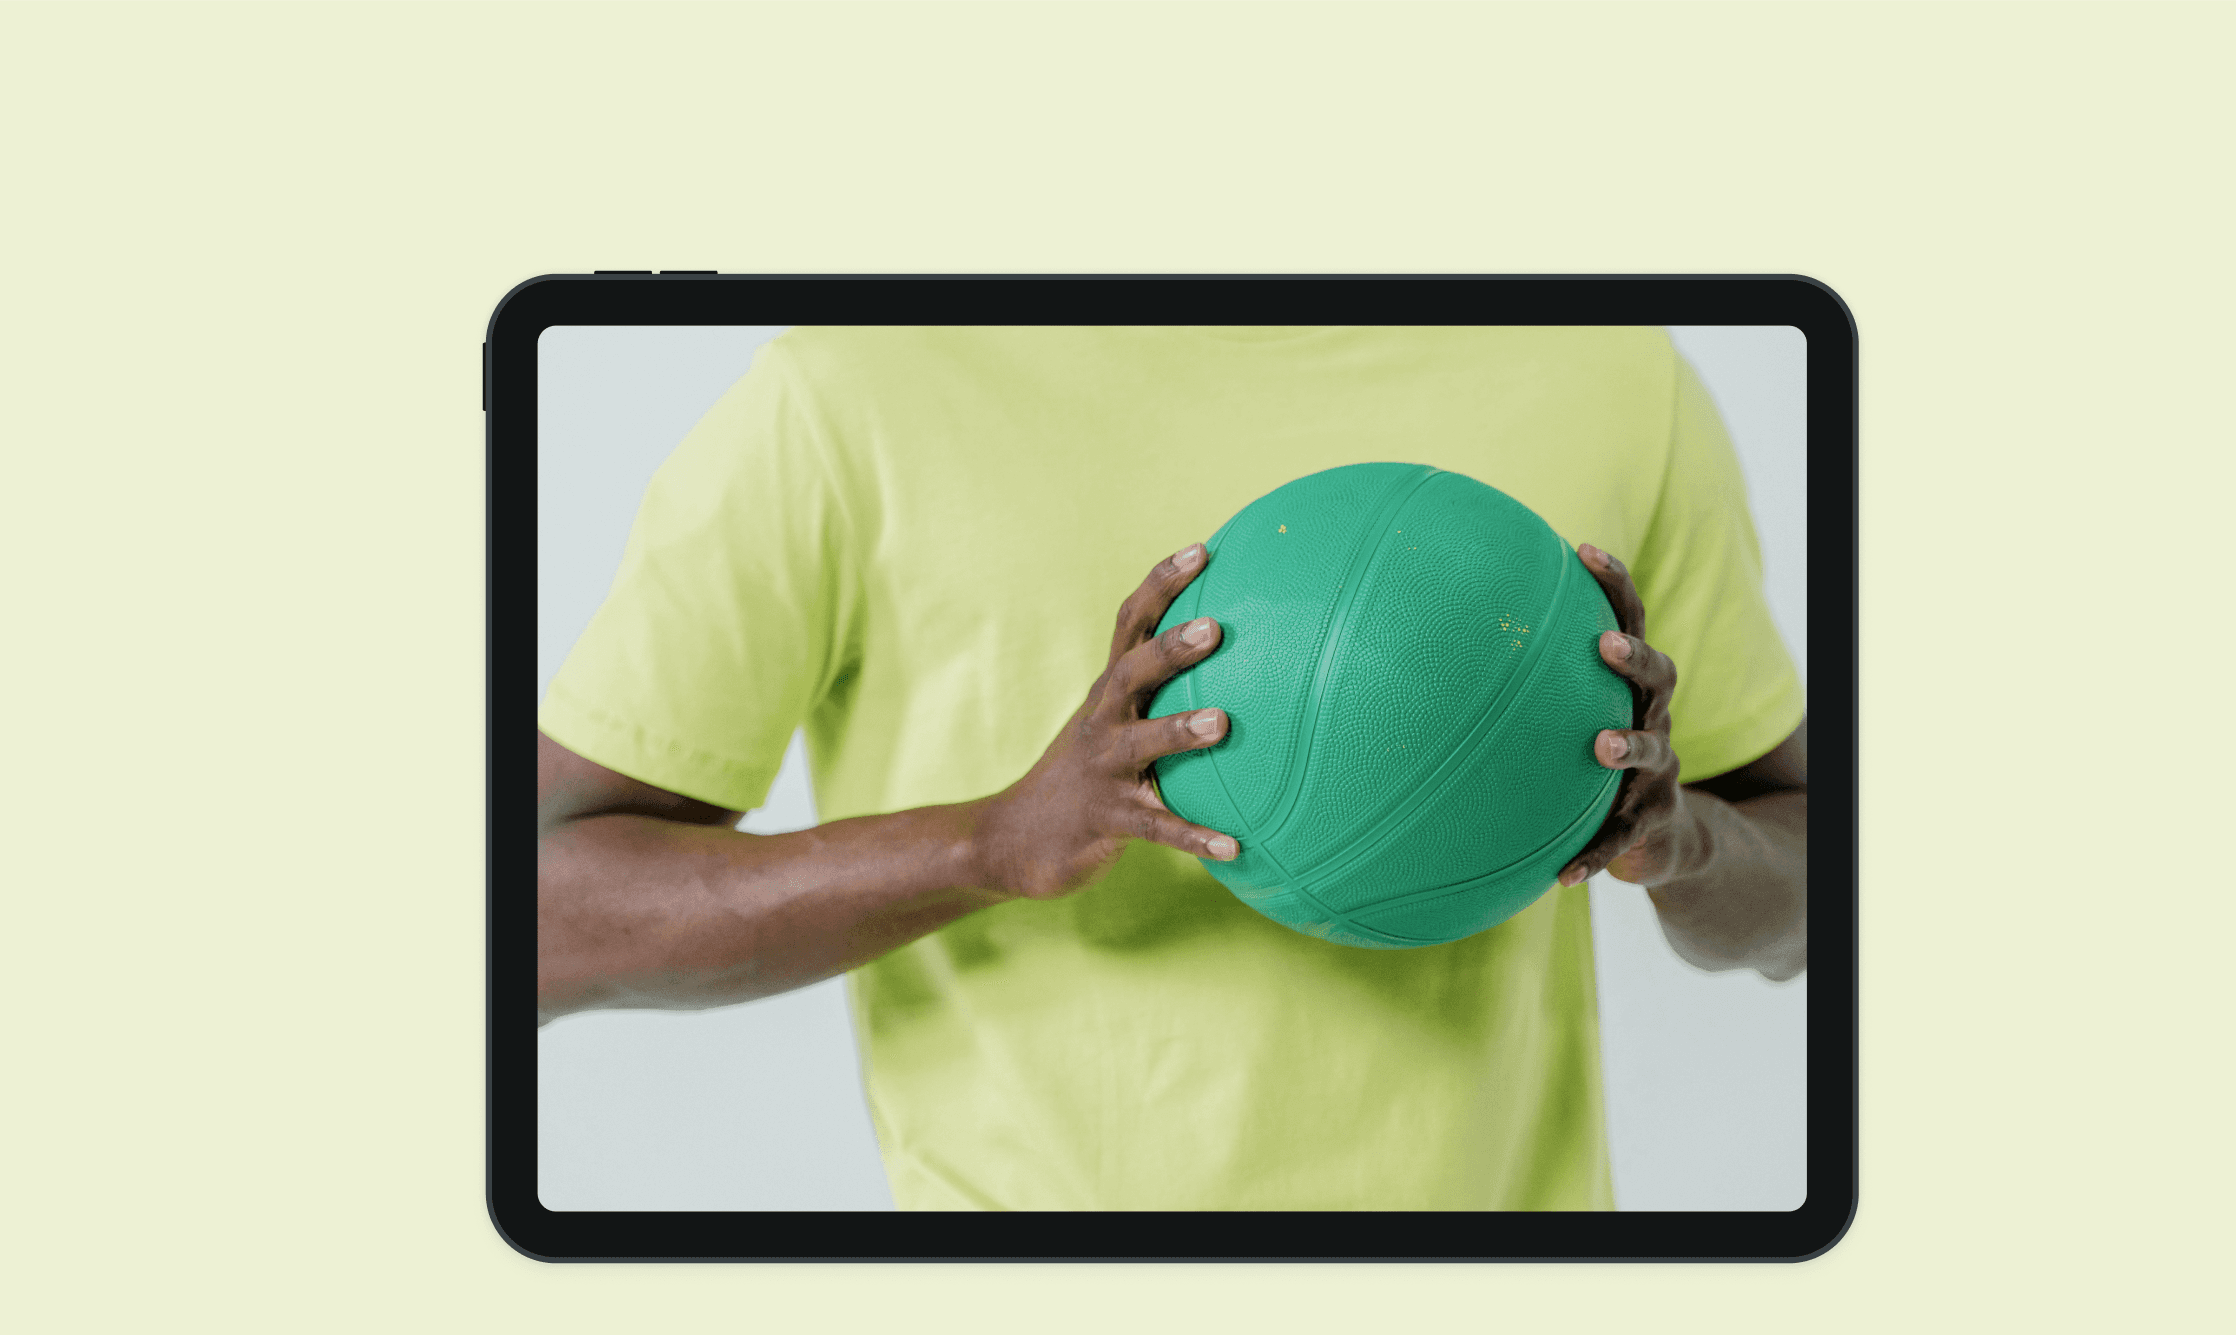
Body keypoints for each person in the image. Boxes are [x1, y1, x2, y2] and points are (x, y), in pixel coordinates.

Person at [536, 325, 1806, 1211]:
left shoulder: (1608, 373)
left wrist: (1671, 833)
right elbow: (534, 916)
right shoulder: (849, 388)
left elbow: (1813, 884)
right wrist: (994, 842)